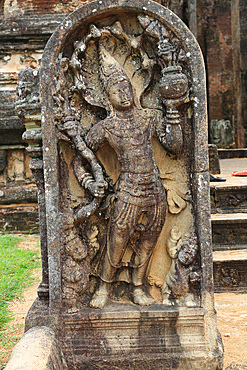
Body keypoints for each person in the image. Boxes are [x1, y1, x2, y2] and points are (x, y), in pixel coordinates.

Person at [85, 46, 183, 308]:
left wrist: (172, 111)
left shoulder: (148, 117)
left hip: (154, 190)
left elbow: (175, 147)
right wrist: (90, 180)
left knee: (148, 242)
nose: (124, 94)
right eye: (117, 91)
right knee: (117, 241)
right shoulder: (105, 128)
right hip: (128, 191)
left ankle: (137, 287)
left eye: (126, 88)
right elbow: (80, 157)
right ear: (108, 97)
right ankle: (104, 287)